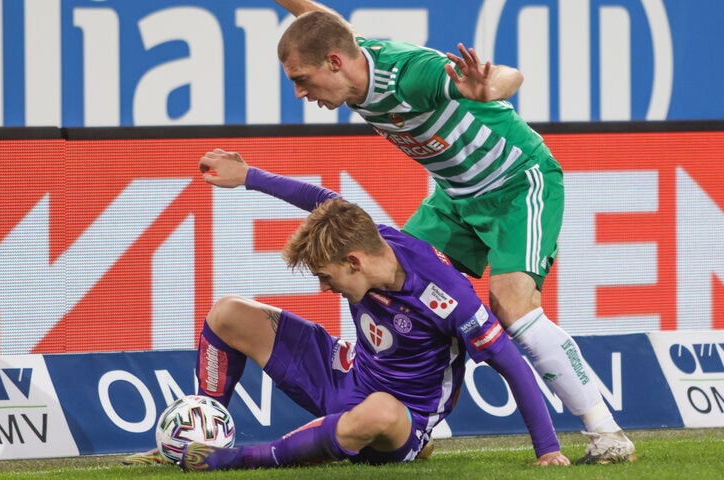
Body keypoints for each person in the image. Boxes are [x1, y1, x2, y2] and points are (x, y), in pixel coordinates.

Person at [264, 0, 635, 464]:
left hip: (517, 182)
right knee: (392, 281)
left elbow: (511, 76)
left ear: (334, 63)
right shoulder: (349, 54)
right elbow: (323, 20)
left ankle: (607, 433)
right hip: (455, 198)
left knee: (511, 306)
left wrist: (485, 88)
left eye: (301, 79)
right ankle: (410, 427)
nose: (300, 92)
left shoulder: (411, 75)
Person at [168, 148, 570, 471]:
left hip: (401, 417)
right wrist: (248, 177)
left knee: (377, 412)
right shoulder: (364, 233)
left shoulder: (446, 293)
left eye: (327, 277)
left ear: (354, 263)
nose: (326, 289)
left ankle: (234, 460)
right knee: (227, 312)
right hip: (347, 373)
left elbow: (510, 362)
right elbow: (319, 200)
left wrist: (547, 449)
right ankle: (203, 435)